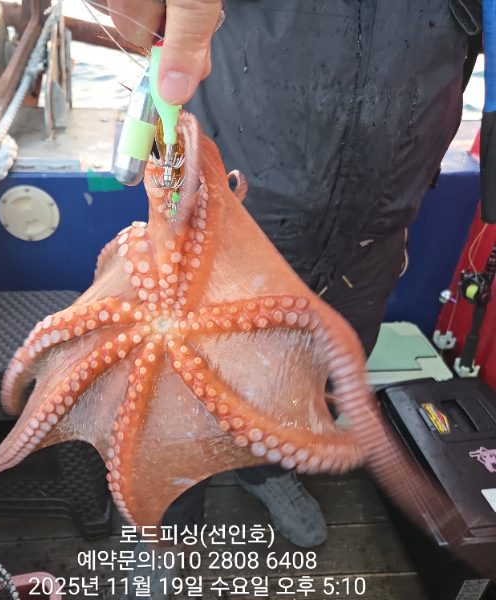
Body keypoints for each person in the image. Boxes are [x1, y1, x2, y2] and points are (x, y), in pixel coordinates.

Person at [104, 0, 476, 597]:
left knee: (309, 381)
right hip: (229, 216)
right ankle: (161, 531)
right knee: (179, 398)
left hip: (372, 234)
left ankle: (264, 469)